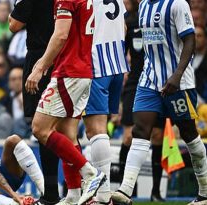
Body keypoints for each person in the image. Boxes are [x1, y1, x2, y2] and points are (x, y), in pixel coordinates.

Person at [111, 0, 207, 204]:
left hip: (179, 83)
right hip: (149, 81)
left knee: (190, 134)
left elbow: (190, 40)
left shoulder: (177, 4)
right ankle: (125, 190)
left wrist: (177, 75)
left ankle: (205, 193)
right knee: (140, 131)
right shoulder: (144, 5)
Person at [25, 0, 106, 204]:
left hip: (69, 72)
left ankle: (90, 173)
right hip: (83, 70)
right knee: (67, 134)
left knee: (39, 128)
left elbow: (61, 34)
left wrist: (40, 67)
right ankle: (73, 195)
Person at [9, 0, 59, 203]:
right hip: (65, 59)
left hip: (41, 58)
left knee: (42, 129)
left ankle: (52, 192)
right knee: (63, 128)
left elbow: (14, 25)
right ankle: (73, 188)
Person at [82, 0, 130, 202]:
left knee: (95, 130)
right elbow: (124, 26)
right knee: (98, 129)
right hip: (117, 64)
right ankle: (102, 192)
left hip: (95, 65)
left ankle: (103, 196)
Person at [120, 0, 165, 201]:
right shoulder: (129, 21)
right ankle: (128, 190)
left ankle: (156, 192)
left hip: (159, 82)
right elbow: (121, 51)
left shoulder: (161, 17)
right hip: (135, 83)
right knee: (129, 137)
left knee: (157, 136)